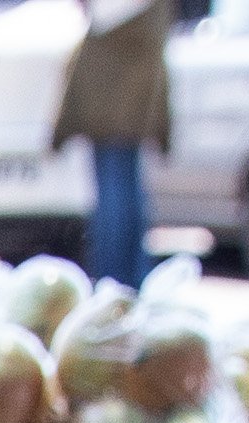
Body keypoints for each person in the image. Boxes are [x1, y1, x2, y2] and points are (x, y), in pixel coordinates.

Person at [59, 0, 168, 281]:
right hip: (129, 101)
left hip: (111, 100)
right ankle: (132, 278)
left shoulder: (119, 18)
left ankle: (114, 279)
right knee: (127, 186)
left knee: (115, 190)